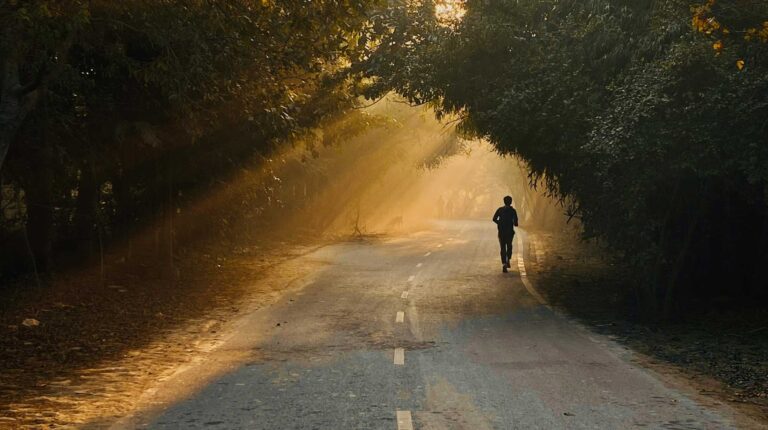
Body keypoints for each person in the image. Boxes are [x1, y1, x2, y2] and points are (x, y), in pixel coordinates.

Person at [492, 196, 518, 273]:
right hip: (509, 232)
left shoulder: (500, 210)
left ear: (504, 202)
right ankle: (508, 259)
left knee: (502, 247)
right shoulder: (513, 211)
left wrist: (499, 223)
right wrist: (513, 223)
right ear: (511, 202)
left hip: (501, 232)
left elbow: (494, 218)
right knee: (509, 245)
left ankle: (504, 264)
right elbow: (516, 223)